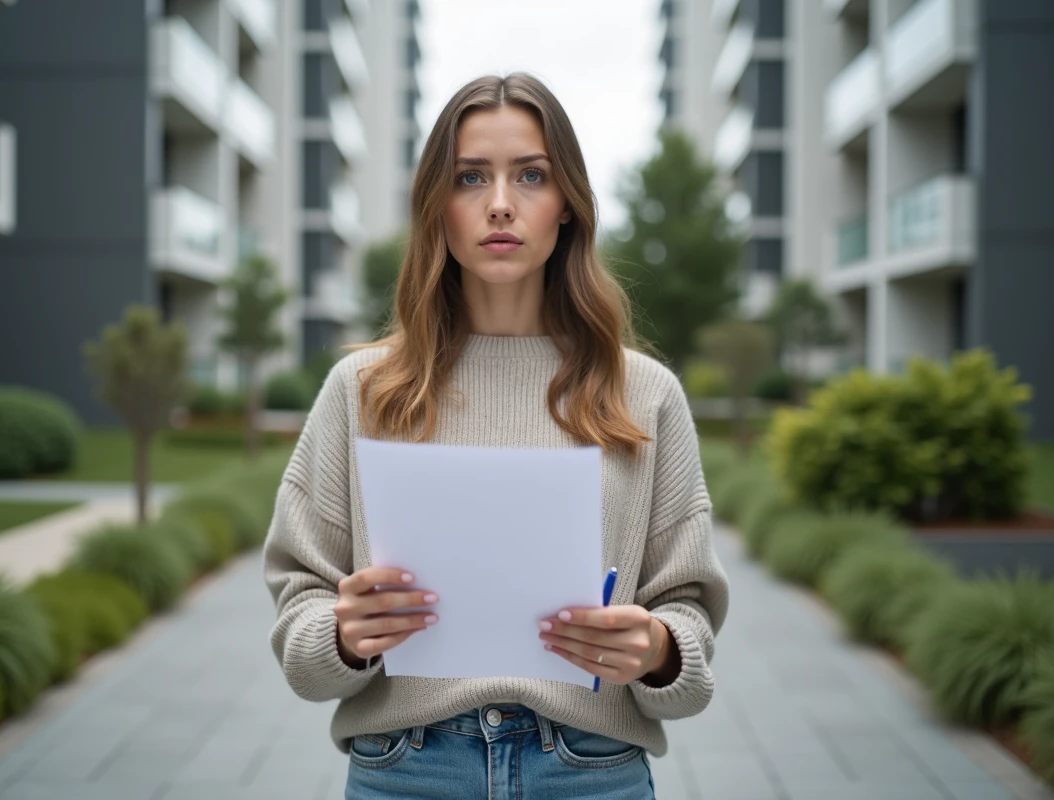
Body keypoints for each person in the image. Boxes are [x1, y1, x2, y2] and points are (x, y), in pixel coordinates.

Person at [263, 72, 730, 800]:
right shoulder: (360, 393)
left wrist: (658, 650)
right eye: (471, 177)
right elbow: (301, 620)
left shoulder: (646, 394)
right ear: (436, 209)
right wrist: (343, 634)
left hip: (592, 772)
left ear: (568, 205)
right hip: (407, 770)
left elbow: (689, 621)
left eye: (532, 175)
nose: (502, 204)